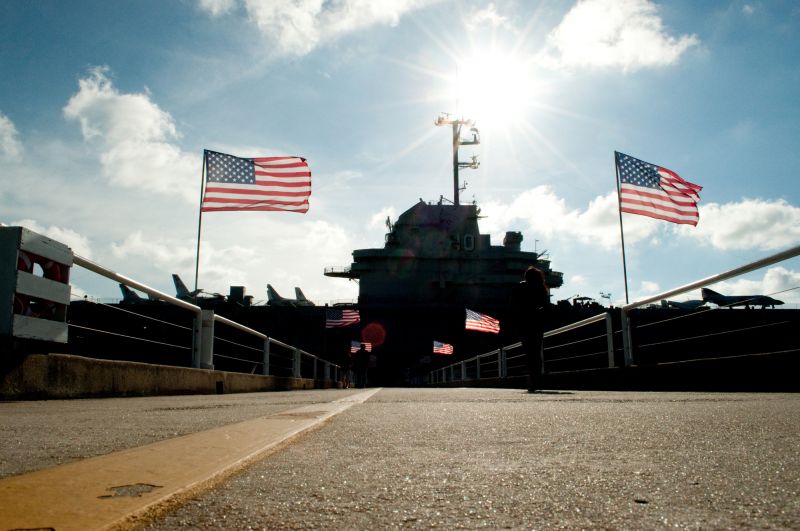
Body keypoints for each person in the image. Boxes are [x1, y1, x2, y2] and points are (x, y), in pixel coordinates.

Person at [509, 266, 549, 392]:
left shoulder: (520, 287)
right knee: (536, 354)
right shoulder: (542, 288)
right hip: (537, 324)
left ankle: (532, 382)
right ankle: (538, 381)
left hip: (524, 324)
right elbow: (545, 305)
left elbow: (514, 305)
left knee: (529, 354)